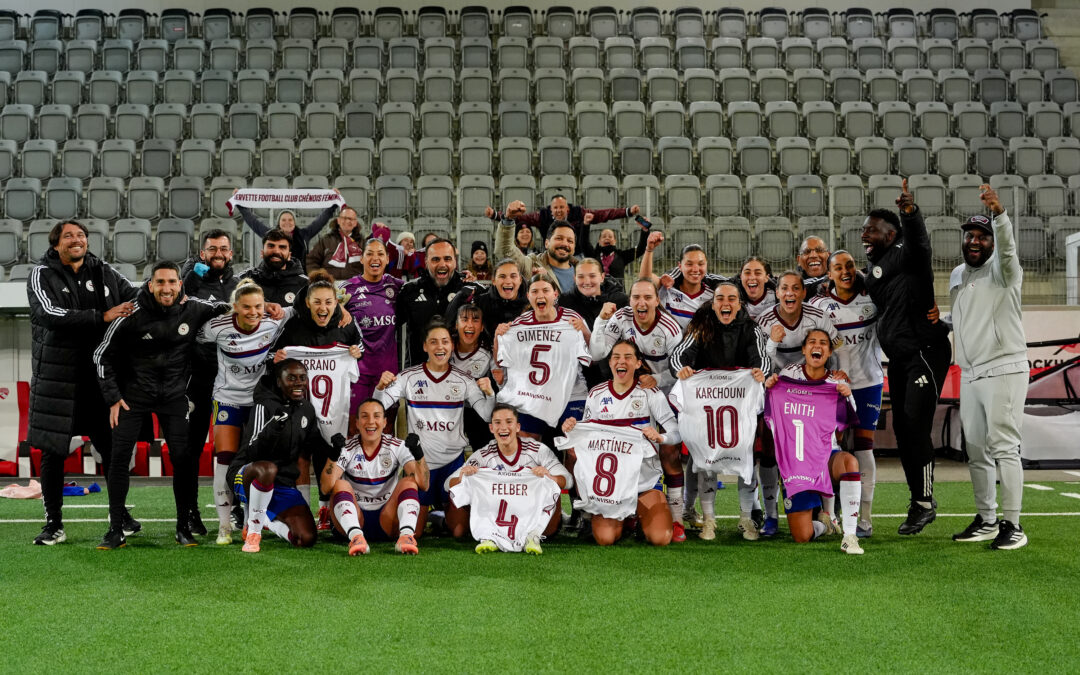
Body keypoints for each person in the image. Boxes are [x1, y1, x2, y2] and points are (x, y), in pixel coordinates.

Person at [93, 261, 228, 548]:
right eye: (160, 282)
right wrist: (113, 397)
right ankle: (115, 529)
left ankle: (183, 527)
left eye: (172, 282)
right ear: (150, 284)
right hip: (134, 398)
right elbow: (101, 356)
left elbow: (226, 308)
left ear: (180, 285)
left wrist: (265, 309)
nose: (166, 288)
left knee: (183, 459)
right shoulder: (131, 312)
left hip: (174, 398)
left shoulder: (194, 308)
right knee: (119, 459)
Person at [27, 220, 139, 545]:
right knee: (53, 453)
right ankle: (54, 524)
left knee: (111, 449)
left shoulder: (105, 271)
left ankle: (119, 515)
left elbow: (135, 297)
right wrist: (100, 316)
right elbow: (48, 313)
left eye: (81, 235)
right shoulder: (41, 274)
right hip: (56, 382)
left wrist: (168, 293)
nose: (76, 240)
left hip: (98, 379)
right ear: (56, 244)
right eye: (68, 236)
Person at [861, 180, 952, 534]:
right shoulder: (877, 270)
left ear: (891, 233)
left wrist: (910, 214)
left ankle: (925, 502)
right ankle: (919, 502)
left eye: (872, 230)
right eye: (863, 230)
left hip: (925, 353)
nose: (865, 235)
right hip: (899, 359)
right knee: (902, 428)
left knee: (914, 424)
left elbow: (921, 245)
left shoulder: (906, 251)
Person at [949, 186, 1029, 550]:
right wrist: (943, 320)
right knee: (977, 450)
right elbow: (969, 318)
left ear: (992, 241)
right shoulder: (958, 275)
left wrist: (1000, 216)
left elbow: (1008, 251)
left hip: (1003, 369)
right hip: (970, 374)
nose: (975, 241)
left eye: (982, 236)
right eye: (970, 236)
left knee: (1005, 448)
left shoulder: (1004, 271)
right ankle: (987, 519)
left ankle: (1013, 525)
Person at [669, 282, 770, 540]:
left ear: (739, 304)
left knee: (746, 457)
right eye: (720, 298)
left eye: (731, 299)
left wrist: (760, 371)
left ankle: (746, 518)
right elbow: (678, 356)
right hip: (707, 406)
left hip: (740, 406)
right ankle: (709, 519)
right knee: (706, 460)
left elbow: (762, 359)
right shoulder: (701, 325)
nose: (726, 303)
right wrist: (681, 369)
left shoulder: (751, 328)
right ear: (713, 304)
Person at [197, 279, 293, 544]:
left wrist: (342, 311)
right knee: (224, 459)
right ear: (235, 307)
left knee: (255, 461)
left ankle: (251, 522)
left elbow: (305, 306)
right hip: (227, 399)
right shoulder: (218, 327)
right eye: (247, 307)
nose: (253, 312)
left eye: (258, 306)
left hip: (259, 402)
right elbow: (193, 335)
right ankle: (224, 526)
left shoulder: (274, 320)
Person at [376, 320, 495, 530]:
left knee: (459, 531)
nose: (440, 347)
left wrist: (490, 394)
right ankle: (431, 512)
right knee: (415, 531)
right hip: (421, 463)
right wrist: (380, 387)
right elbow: (379, 406)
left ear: (452, 345)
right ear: (425, 346)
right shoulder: (408, 377)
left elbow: (487, 415)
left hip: (453, 463)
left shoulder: (464, 380)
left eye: (445, 342)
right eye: (433, 342)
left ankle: (439, 516)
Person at [560, 340, 678, 547]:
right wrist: (572, 428)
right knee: (605, 539)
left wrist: (661, 438)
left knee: (660, 538)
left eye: (628, 357)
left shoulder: (650, 393)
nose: (621, 361)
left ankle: (638, 516)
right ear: (610, 362)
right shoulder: (597, 394)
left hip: (643, 481)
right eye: (616, 357)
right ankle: (614, 518)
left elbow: (676, 433)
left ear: (638, 363)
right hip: (611, 488)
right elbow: (586, 436)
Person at [273, 269, 364, 530]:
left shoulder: (346, 324)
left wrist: (356, 352)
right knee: (301, 458)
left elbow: (360, 347)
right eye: (317, 302)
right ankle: (303, 511)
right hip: (299, 406)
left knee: (327, 457)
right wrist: (277, 358)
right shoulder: (293, 325)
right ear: (307, 302)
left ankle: (325, 510)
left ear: (336, 303)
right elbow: (272, 355)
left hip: (332, 409)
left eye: (328, 302)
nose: (323, 307)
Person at [764, 329, 864, 554]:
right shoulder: (789, 374)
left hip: (825, 458)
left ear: (828, 352)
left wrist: (847, 395)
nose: (817, 346)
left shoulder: (836, 381)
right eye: (811, 342)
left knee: (849, 462)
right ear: (804, 349)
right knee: (802, 536)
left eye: (823, 343)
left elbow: (848, 419)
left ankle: (849, 536)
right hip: (796, 463)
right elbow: (769, 410)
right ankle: (824, 524)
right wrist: (769, 388)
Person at [809, 251, 884, 538]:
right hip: (831, 388)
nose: (845, 271)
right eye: (838, 267)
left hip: (868, 383)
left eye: (850, 265)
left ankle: (865, 518)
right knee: (830, 449)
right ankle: (830, 513)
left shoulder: (872, 299)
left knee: (864, 448)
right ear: (829, 274)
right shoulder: (818, 306)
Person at [228, 360, 329, 553]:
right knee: (267, 469)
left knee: (305, 538)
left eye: (302, 378)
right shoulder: (263, 405)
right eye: (291, 378)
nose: (298, 383)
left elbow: (313, 444)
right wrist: (274, 427)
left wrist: (336, 449)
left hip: (283, 483)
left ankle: (263, 520)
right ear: (278, 381)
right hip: (248, 476)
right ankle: (253, 533)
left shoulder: (306, 409)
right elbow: (252, 453)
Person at [446, 403, 571, 553]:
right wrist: (463, 476)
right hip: (496, 515)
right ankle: (488, 535)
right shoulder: (484, 455)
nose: (503, 427)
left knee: (552, 487)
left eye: (509, 422)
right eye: (497, 423)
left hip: (529, 512)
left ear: (518, 427)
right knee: (458, 530)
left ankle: (533, 534)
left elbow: (567, 480)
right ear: (491, 428)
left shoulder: (537, 450)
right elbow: (448, 484)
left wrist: (550, 477)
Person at [180, 228, 239, 535]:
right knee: (191, 449)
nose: (218, 254)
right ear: (202, 253)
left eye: (223, 249)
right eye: (212, 249)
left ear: (231, 253)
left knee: (237, 447)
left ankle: (239, 508)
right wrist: (193, 276)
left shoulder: (239, 285)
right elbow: (176, 305)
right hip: (197, 378)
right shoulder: (189, 281)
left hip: (233, 379)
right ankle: (189, 511)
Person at [320, 399, 429, 555]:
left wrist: (419, 454)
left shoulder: (396, 446)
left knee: (409, 482)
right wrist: (333, 455)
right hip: (353, 520)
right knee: (339, 484)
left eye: (376, 416)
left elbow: (423, 484)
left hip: (388, 521)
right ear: (357, 423)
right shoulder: (346, 448)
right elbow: (326, 488)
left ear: (385, 422)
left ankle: (406, 536)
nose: (371, 421)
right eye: (365, 416)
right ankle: (356, 538)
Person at [494, 275, 591, 441]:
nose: (540, 295)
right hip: (534, 395)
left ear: (555, 294)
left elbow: (592, 357)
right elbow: (499, 361)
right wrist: (498, 337)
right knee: (527, 443)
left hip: (571, 394)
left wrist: (585, 332)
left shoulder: (571, 319)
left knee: (575, 446)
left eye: (545, 290)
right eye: (535, 291)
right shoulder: (519, 324)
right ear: (528, 296)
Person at [343, 238, 405, 407]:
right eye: (369, 254)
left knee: (385, 421)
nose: (375, 258)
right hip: (357, 372)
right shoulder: (348, 288)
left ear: (387, 259)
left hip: (387, 373)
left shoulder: (396, 285)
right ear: (361, 259)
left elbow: (420, 288)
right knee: (356, 421)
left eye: (380, 254)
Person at [397, 238, 470, 367]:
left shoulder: (468, 290)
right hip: (418, 372)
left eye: (447, 259)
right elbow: (388, 330)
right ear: (426, 262)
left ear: (455, 261)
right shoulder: (410, 290)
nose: (442, 264)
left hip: (459, 372)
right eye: (436, 259)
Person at [558, 258, 630, 388]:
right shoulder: (564, 302)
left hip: (615, 373)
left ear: (602, 277)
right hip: (579, 377)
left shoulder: (620, 301)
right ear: (574, 278)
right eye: (581, 277)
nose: (587, 281)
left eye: (592, 276)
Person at [487, 194, 641, 255]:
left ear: (567, 208)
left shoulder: (578, 212)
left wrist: (627, 212)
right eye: (555, 208)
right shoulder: (542, 216)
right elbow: (521, 218)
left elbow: (603, 215)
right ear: (551, 209)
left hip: (576, 254)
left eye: (562, 207)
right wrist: (496, 215)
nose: (559, 210)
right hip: (551, 254)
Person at [234, 188, 340, 266]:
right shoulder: (270, 234)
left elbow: (321, 221)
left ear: (294, 222)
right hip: (275, 276)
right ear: (279, 222)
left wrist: (333, 204)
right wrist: (240, 204)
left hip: (298, 277)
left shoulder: (303, 234)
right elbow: (253, 222)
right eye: (283, 220)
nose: (287, 222)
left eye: (290, 220)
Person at [639, 235, 726, 330]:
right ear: (680, 266)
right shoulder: (666, 286)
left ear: (706, 265)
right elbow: (645, 279)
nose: (695, 269)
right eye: (689, 264)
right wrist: (649, 250)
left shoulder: (713, 296)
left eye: (701, 264)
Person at [495, 205, 579, 294]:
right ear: (546, 243)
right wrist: (508, 220)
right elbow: (506, 251)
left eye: (570, 241)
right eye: (559, 238)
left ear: (574, 247)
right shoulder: (531, 265)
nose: (565, 244)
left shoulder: (583, 271)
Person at [444, 259, 528, 346]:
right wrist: (461, 295)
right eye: (502, 276)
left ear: (520, 279)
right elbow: (448, 323)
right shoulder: (483, 300)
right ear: (493, 280)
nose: (508, 281)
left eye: (513, 276)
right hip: (489, 351)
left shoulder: (530, 302)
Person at [450, 303, 495, 450]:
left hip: (475, 410)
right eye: (464, 319)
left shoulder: (489, 352)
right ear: (456, 325)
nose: (469, 324)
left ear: (482, 327)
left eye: (475, 320)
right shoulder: (445, 346)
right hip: (449, 408)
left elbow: (501, 382)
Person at [238, 229, 308, 306]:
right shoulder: (245, 279)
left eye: (282, 247)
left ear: (289, 255)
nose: (276, 251)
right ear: (262, 253)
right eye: (271, 246)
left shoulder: (305, 284)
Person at [305, 205, 366, 280]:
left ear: (355, 223)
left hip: (355, 283)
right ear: (338, 220)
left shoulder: (363, 243)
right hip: (330, 283)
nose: (347, 221)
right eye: (344, 218)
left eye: (351, 219)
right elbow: (311, 260)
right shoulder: (325, 241)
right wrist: (318, 277)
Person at [580, 223, 650, 282]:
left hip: (617, 293)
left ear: (615, 241)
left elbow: (640, 249)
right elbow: (584, 244)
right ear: (599, 241)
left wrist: (645, 230)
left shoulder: (622, 256)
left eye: (610, 236)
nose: (607, 238)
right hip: (598, 292)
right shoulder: (593, 256)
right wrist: (586, 225)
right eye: (604, 236)